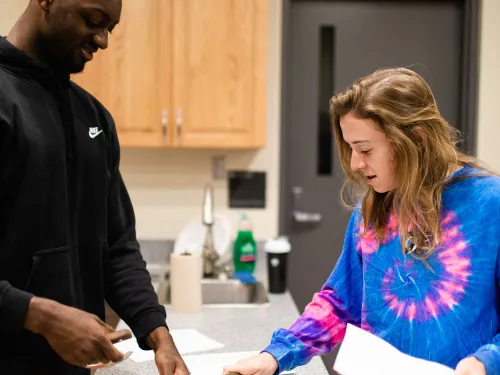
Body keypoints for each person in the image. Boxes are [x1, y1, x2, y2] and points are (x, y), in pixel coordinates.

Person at [223, 67, 500, 375]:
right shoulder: (372, 210)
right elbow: (339, 304)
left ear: (417, 139)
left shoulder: (490, 203)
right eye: (351, 149)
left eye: (365, 149)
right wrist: (275, 355)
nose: (355, 163)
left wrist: (486, 361)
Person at [0, 0, 190, 374]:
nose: (103, 41)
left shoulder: (94, 117)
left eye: (110, 29)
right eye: (94, 20)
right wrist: (40, 315)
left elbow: (117, 250)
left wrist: (159, 336)